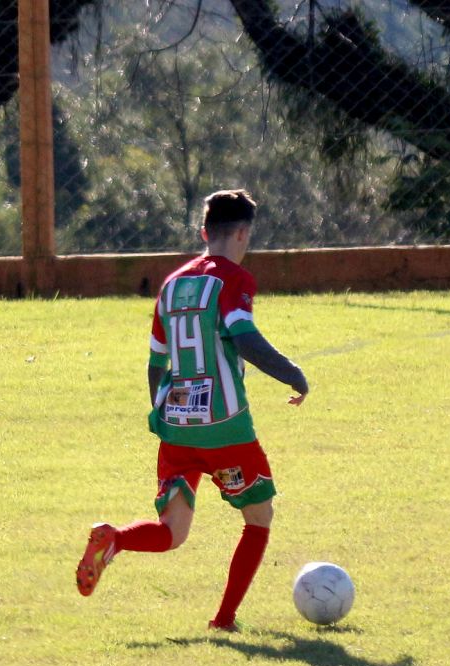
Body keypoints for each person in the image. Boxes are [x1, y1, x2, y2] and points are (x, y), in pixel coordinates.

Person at [76, 189, 308, 631]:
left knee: (172, 534)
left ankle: (115, 540)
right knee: (259, 518)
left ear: (205, 232)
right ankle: (223, 619)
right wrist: (293, 373)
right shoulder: (234, 280)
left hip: (176, 427)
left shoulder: (173, 284)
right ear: (242, 233)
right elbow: (246, 340)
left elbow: (155, 361)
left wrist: (163, 415)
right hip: (225, 430)